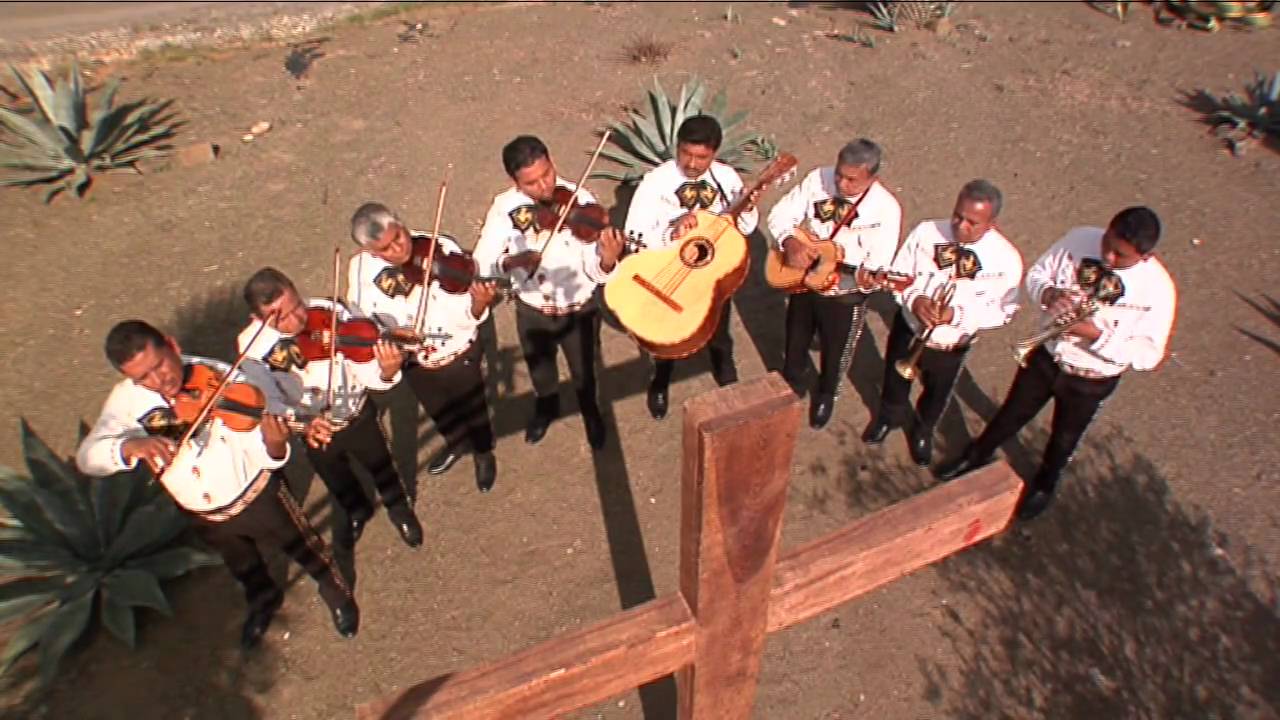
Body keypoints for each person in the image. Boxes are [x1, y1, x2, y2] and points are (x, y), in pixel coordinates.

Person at [77, 321, 359, 649]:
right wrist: (128, 446)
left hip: (256, 495)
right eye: (144, 378)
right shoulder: (124, 402)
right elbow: (87, 458)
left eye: (160, 365)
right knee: (241, 563)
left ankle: (336, 594)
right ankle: (264, 598)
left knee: (303, 545)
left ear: (173, 346)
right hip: (201, 512)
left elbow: (258, 445)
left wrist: (275, 442)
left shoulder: (226, 379)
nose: (159, 381)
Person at [934, 206, 1177, 521]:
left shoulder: (1158, 290)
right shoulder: (1079, 239)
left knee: (1064, 436)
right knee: (1013, 410)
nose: (1108, 257)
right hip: (1047, 355)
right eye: (1107, 243)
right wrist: (1049, 294)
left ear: (1145, 256)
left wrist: (1094, 334)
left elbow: (1149, 355)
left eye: (1120, 255)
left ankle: (1045, 483)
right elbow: (1038, 275)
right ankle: (977, 453)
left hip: (1090, 378)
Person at [237, 267, 423, 548]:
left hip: (355, 413)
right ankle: (358, 510)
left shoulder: (330, 313)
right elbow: (268, 399)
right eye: (281, 318)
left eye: (296, 306)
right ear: (257, 319)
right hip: (311, 428)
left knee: (381, 465)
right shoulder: (250, 346)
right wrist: (301, 422)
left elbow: (365, 371)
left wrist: (386, 371)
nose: (297, 320)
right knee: (335, 476)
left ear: (296, 290)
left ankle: (400, 510)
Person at [473, 135, 627, 448]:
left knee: (585, 371)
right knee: (540, 370)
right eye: (531, 183)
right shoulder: (505, 208)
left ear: (552, 162)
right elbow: (482, 261)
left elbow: (594, 271)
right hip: (532, 310)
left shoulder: (580, 201)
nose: (545, 187)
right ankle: (547, 406)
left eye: (547, 174)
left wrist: (608, 260)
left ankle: (591, 412)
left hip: (578, 310)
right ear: (515, 182)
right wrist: (512, 261)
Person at [862, 180, 1023, 466]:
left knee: (937, 392)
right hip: (911, 327)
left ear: (991, 224)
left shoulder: (1006, 260)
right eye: (957, 216)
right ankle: (888, 416)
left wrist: (955, 315)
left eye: (972, 222)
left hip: (950, 343)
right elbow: (899, 274)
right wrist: (915, 299)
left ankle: (923, 431)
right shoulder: (926, 232)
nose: (961, 226)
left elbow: (1003, 311)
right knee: (895, 377)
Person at [346, 203, 500, 492]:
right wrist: (390, 333)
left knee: (474, 408)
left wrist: (478, 304)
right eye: (386, 249)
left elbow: (463, 313)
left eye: (399, 236)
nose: (399, 249)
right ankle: (456, 442)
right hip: (414, 361)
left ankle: (483, 452)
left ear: (401, 223)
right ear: (370, 251)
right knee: (437, 408)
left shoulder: (439, 249)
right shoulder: (359, 270)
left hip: (456, 353)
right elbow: (361, 317)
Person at [621, 114, 759, 419]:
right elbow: (634, 234)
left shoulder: (727, 179)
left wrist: (747, 208)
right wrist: (672, 231)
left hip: (711, 272)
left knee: (718, 329)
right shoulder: (656, 182)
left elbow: (745, 227)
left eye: (702, 157)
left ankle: (724, 369)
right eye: (686, 153)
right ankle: (661, 379)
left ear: (715, 152)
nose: (693, 164)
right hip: (671, 271)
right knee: (668, 332)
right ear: (677, 147)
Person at [767, 139, 903, 429]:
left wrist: (867, 278)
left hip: (845, 292)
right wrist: (790, 242)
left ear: (872, 178)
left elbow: (879, 260)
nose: (841, 183)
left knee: (836, 349)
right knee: (796, 335)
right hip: (804, 279)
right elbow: (781, 213)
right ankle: (792, 381)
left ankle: (827, 394)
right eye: (839, 174)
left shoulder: (886, 209)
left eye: (851, 180)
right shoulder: (818, 178)